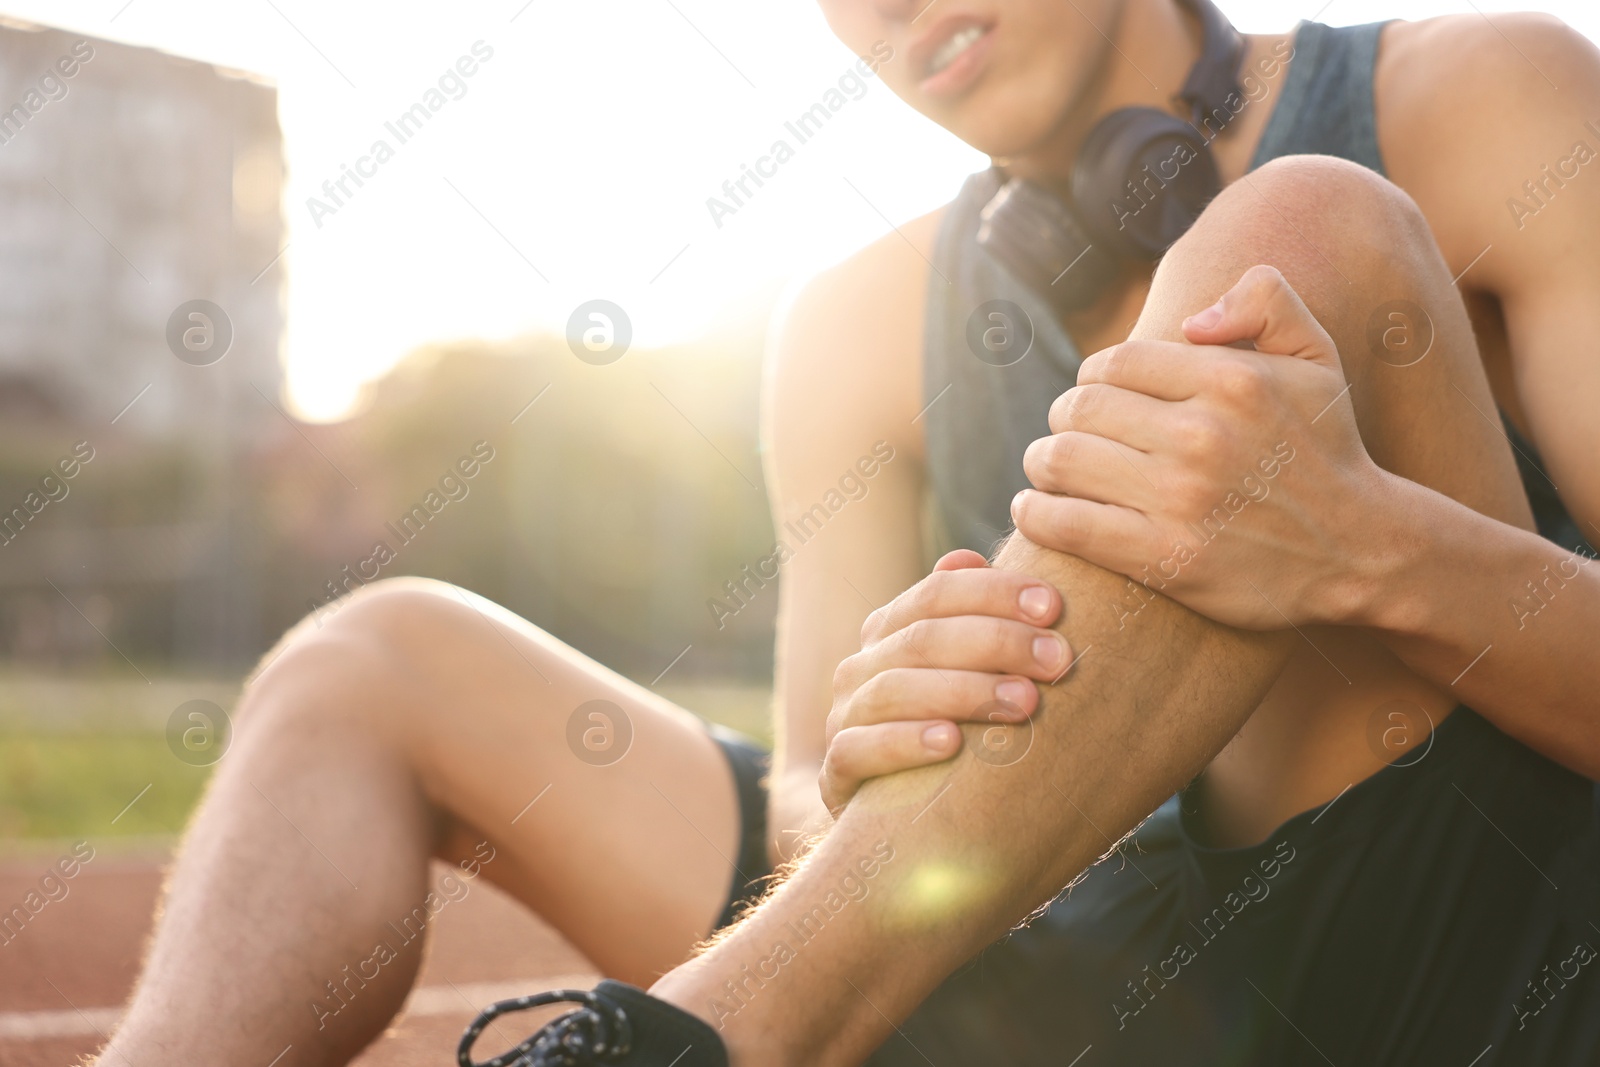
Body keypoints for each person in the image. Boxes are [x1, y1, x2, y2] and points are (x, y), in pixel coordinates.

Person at [102, 2, 1600, 1066]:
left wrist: (1366, 552)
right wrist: (879, 741)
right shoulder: (849, 326)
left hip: (1430, 961)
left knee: (1302, 232)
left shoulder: (1487, 98)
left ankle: (721, 1044)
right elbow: (812, 797)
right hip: (1024, 989)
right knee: (371, 656)